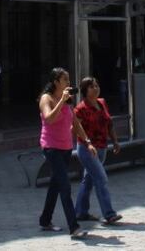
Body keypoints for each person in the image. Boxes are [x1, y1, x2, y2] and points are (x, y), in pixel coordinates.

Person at [38, 67, 95, 239]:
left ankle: (45, 220)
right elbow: (49, 118)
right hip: (51, 147)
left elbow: (75, 123)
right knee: (65, 186)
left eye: (69, 80)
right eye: (65, 80)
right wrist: (62, 101)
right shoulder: (46, 98)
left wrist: (88, 142)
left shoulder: (66, 100)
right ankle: (74, 227)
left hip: (65, 148)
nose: (68, 84)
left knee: (55, 184)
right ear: (56, 82)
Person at [73, 78, 122, 225]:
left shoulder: (102, 103)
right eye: (91, 87)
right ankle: (109, 214)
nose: (95, 88)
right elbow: (76, 128)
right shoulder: (80, 109)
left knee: (88, 181)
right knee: (101, 178)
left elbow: (109, 124)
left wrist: (115, 140)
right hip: (87, 150)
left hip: (102, 148)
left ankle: (80, 212)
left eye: (96, 85)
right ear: (85, 91)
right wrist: (87, 143)